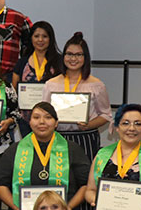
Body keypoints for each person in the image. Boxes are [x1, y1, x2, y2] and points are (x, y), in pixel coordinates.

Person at [0, 103, 91, 210]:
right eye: (36, 117)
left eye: (48, 117)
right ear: (30, 122)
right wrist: (17, 208)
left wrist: (68, 208)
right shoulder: (15, 150)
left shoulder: (72, 149)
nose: (42, 122)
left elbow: (87, 184)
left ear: (56, 123)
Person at [42, 32, 112, 161]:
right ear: (63, 56)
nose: (73, 59)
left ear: (85, 57)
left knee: (85, 178)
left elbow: (106, 115)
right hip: (57, 137)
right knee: (58, 177)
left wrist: (89, 124)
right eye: (69, 54)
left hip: (86, 137)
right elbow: (44, 113)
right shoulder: (51, 84)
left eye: (78, 55)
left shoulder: (96, 85)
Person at [12, 22, 60, 132]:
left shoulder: (59, 61)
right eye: (36, 36)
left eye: (44, 36)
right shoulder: (22, 62)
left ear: (50, 39)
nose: (40, 40)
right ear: (31, 38)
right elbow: (14, 90)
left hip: (50, 119)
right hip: (26, 120)